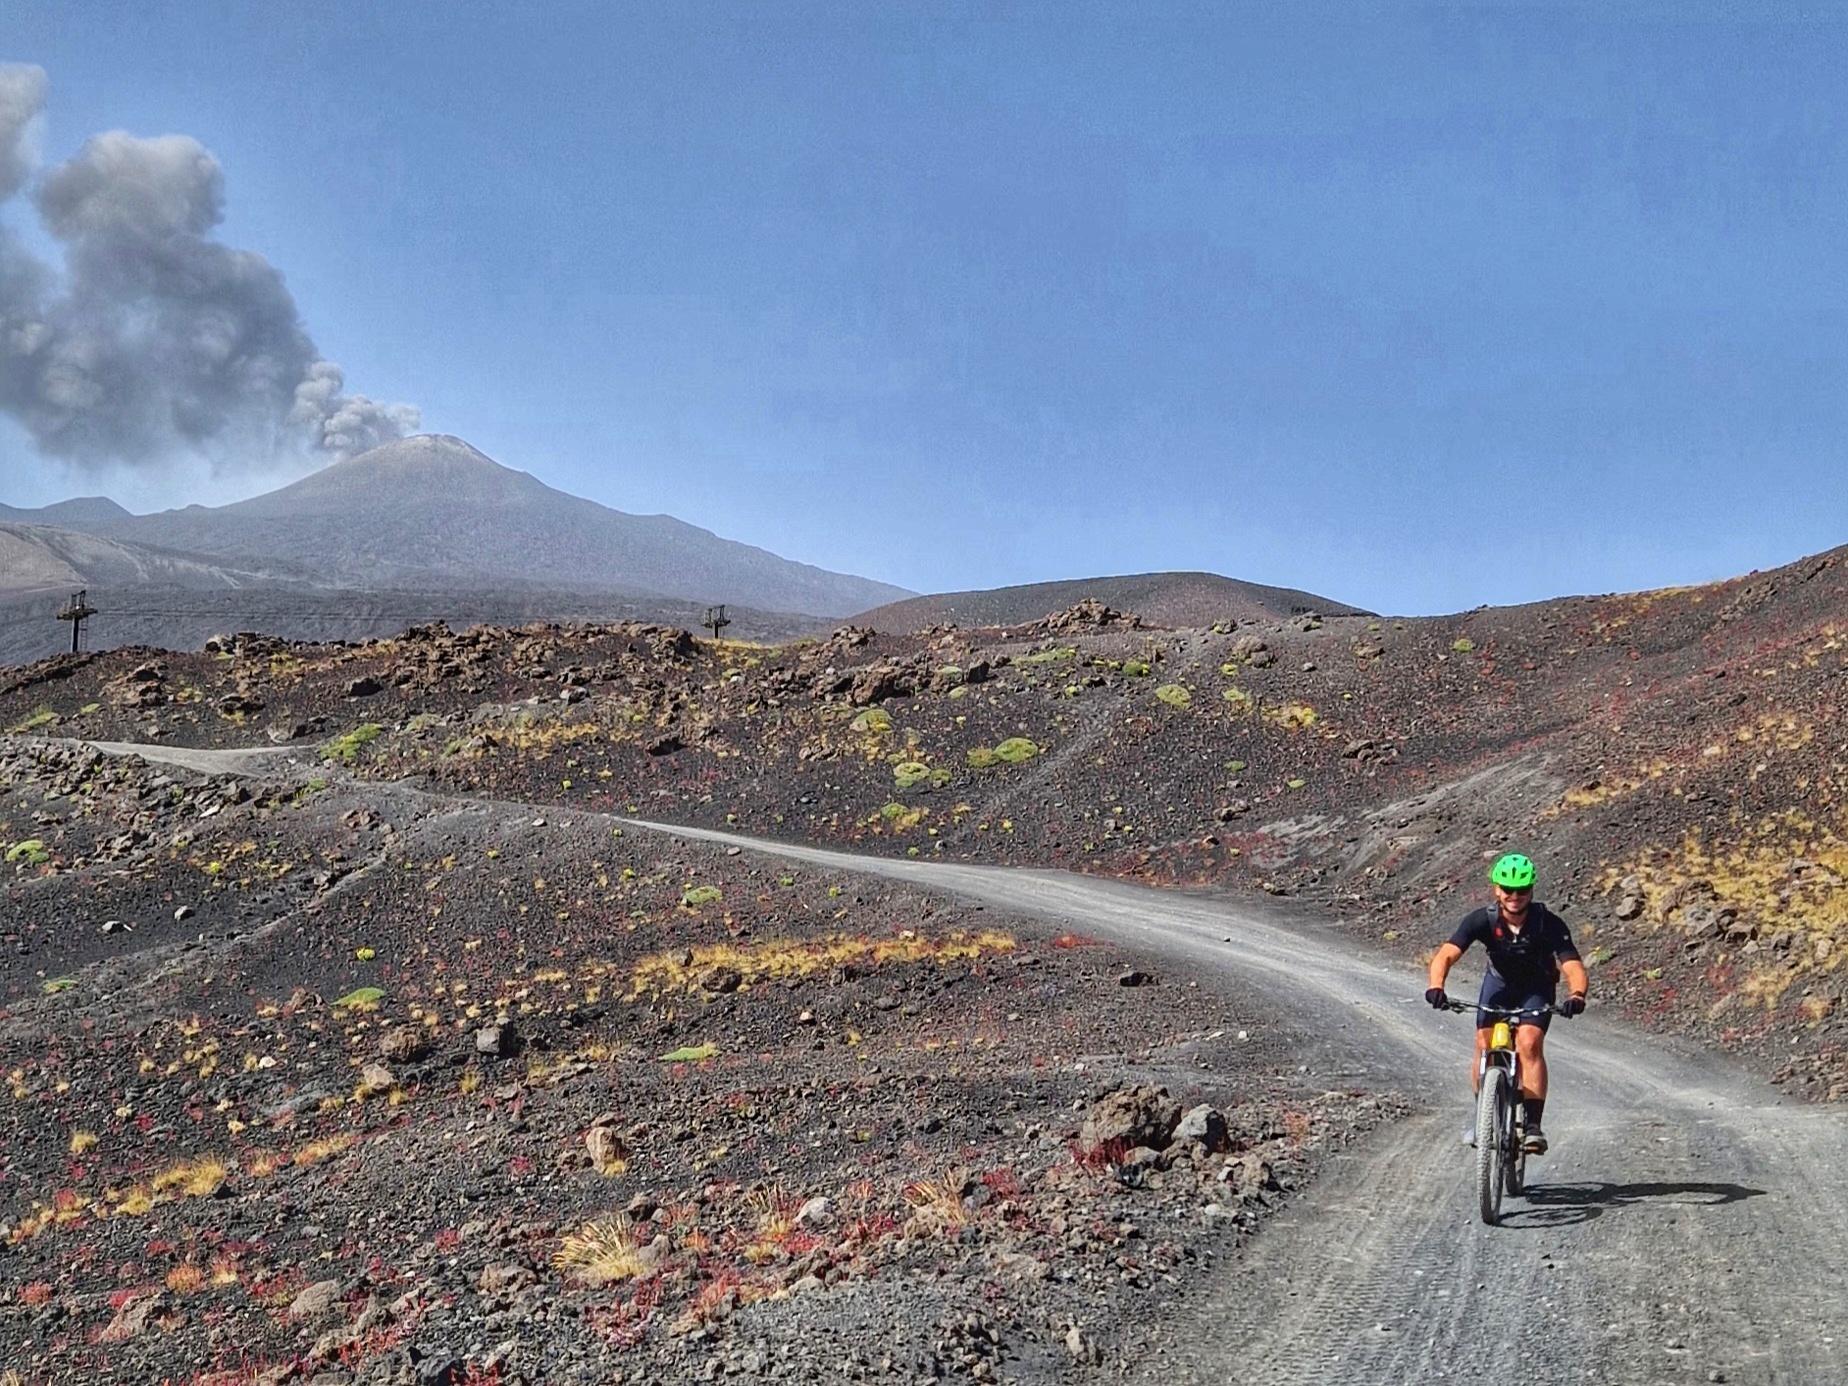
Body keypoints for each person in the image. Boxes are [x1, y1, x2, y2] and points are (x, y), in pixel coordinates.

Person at [1424, 853, 1588, 1154]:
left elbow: (1572, 964)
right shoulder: (1481, 919)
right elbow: (1446, 954)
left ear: (1532, 890)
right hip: (1498, 986)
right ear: (1496, 889)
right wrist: (1436, 986)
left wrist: (1576, 995)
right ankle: (1484, 1117)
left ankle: (1533, 1126)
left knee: (1529, 1043)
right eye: (1507, 889)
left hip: (1536, 988)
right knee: (1483, 1043)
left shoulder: (1547, 922)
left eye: (1522, 889)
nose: (1514, 896)